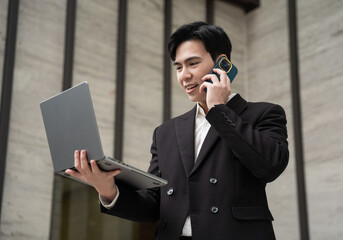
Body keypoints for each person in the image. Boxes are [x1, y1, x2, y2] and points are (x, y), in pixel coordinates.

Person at [66, 21, 289, 240]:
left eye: (193, 64)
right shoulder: (165, 133)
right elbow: (154, 205)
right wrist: (108, 190)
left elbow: (270, 166)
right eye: (179, 67)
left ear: (222, 64)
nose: (184, 76)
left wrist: (219, 110)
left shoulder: (264, 114)